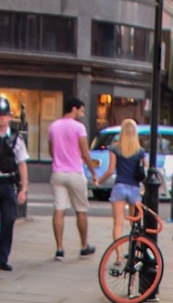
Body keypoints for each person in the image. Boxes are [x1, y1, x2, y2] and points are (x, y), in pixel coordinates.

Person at [47, 97, 98, 257]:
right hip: (75, 171)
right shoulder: (79, 127)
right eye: (81, 110)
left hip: (58, 172)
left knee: (59, 209)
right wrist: (93, 172)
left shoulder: (53, 126)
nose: (82, 113)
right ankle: (83, 246)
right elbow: (85, 152)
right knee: (81, 210)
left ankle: (60, 249)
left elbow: (51, 150)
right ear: (74, 108)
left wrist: (59, 159)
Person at [0, 96, 29, 270]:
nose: (2, 118)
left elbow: (22, 164)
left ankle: (2, 258)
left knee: (9, 220)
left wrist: (24, 189)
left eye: (5, 114)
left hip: (8, 184)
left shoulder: (17, 139)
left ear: (10, 117)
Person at [108, 116, 146, 242]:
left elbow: (110, 170)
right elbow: (146, 168)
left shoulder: (115, 148)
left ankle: (118, 255)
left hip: (119, 186)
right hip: (134, 188)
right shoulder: (140, 151)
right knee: (135, 224)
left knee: (118, 223)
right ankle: (135, 252)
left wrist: (99, 180)